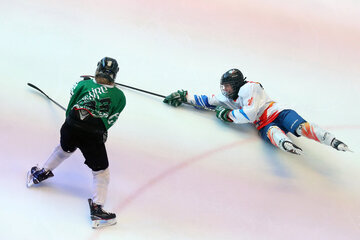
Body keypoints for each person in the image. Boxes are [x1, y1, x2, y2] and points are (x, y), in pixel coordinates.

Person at [26, 57, 126, 229]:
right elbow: (111, 118)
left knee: (63, 150)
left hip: (71, 126)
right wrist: (101, 130)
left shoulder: (83, 85)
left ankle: (40, 173)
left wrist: (70, 121)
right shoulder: (120, 96)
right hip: (92, 134)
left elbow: (72, 100)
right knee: (101, 171)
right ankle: (97, 210)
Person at [163, 68, 350, 155]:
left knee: (301, 127)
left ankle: (330, 139)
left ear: (236, 85)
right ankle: (287, 145)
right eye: (224, 86)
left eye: (228, 86)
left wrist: (227, 115)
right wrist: (185, 97)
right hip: (263, 124)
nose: (225, 90)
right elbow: (209, 101)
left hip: (277, 112)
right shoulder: (229, 97)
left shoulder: (249, 88)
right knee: (278, 138)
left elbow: (250, 114)